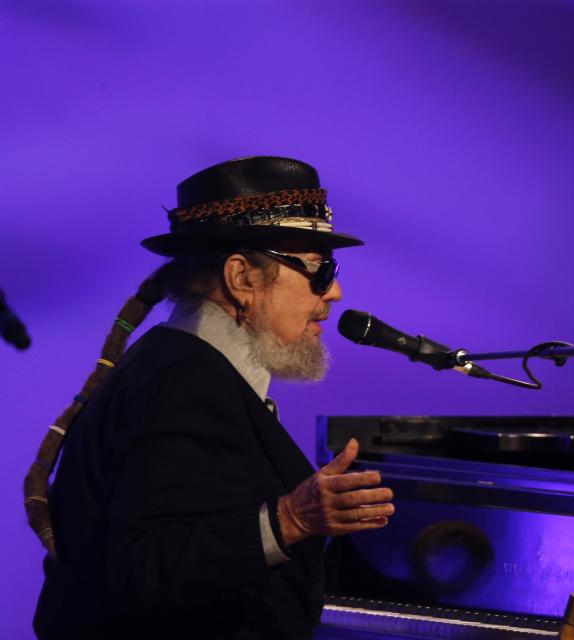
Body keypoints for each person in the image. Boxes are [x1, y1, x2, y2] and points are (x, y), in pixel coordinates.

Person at [25, 156, 394, 639]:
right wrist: (289, 520)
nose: (336, 292)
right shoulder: (182, 384)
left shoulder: (189, 369)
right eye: (319, 270)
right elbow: (146, 566)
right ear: (242, 279)